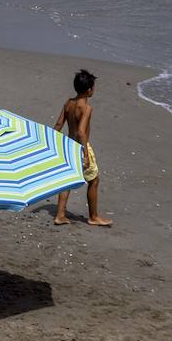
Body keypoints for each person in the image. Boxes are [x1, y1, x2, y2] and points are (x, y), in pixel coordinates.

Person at [54, 69, 110, 226]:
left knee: (67, 180)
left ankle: (59, 215)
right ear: (89, 90)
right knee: (94, 180)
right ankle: (93, 216)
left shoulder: (68, 103)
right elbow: (81, 131)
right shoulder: (86, 108)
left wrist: (51, 141)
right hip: (80, 147)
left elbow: (59, 124)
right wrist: (86, 153)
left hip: (68, 145)